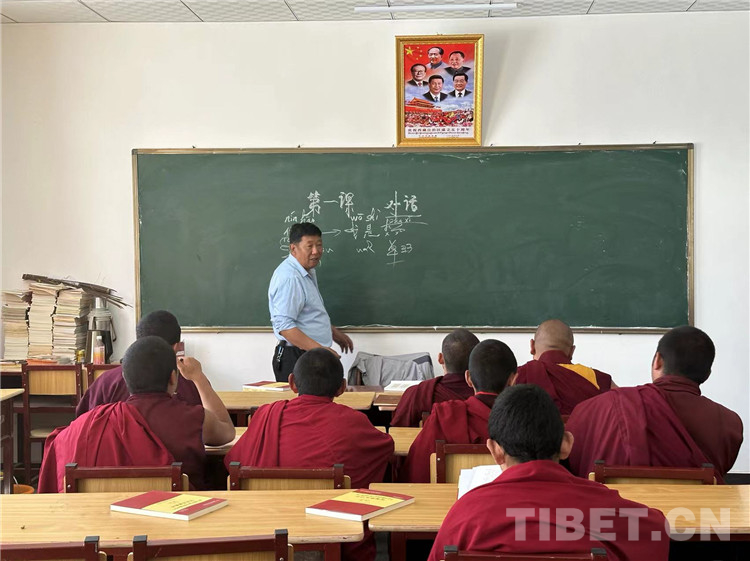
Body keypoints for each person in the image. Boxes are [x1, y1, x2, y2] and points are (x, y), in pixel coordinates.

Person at [428, 385, 669, 561]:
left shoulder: (465, 515)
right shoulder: (604, 511)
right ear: (566, 444)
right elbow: (657, 530)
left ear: (495, 451)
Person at [225, 348, 394, 561]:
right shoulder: (352, 422)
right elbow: (386, 448)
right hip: (332, 539)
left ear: (292, 382)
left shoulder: (265, 415)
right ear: (342, 387)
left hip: (264, 537)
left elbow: (234, 463)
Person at [39, 336, 235, 493]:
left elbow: (57, 451)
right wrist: (198, 377)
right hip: (179, 522)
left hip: (103, 522)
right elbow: (227, 431)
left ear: (125, 378)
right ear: (172, 377)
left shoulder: (92, 424)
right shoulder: (194, 419)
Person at [566, 326, 743, 483]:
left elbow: (573, 461)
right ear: (707, 374)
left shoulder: (593, 409)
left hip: (610, 510)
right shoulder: (730, 424)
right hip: (698, 509)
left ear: (658, 360)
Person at [400, 339, 516, 483]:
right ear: (513, 380)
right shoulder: (525, 422)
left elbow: (415, 474)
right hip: (509, 495)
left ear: (468, 378)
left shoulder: (445, 416)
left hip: (451, 497)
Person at [75, 310, 201, 417]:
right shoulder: (191, 382)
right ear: (176, 347)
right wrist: (200, 379)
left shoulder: (107, 381)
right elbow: (208, 428)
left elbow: (83, 423)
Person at [269, 222, 353, 382]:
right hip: (297, 356)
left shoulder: (305, 271)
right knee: (305, 399)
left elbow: (307, 313)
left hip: (308, 353)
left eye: (319, 245)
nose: (316, 251)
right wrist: (321, 350)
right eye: (309, 246)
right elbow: (284, 326)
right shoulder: (291, 277)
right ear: (293, 248)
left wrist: (332, 332)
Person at [511, 319, 613, 415]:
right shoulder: (595, 378)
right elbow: (619, 406)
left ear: (532, 346)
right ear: (571, 351)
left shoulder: (516, 376)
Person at [391, 329, 479, 427]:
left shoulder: (419, 393)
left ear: (440, 358)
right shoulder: (488, 396)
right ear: (478, 361)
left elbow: (397, 430)